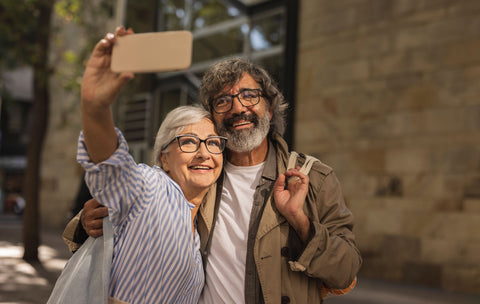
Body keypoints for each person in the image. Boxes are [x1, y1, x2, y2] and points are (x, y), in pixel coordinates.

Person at [64, 39, 362, 303]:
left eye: (249, 95)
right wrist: (93, 219)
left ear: (270, 108)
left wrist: (301, 222)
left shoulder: (314, 179)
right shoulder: (202, 177)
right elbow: (128, 185)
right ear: (214, 116)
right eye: (223, 101)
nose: (237, 108)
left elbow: (346, 272)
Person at [64, 27, 226, 303]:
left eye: (213, 142)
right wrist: (94, 108)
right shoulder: (149, 188)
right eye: (188, 141)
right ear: (164, 157)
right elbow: (111, 167)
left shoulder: (200, 230)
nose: (204, 153)